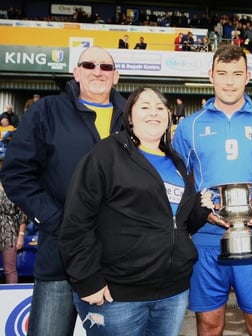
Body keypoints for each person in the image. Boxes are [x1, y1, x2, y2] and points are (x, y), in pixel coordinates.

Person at [59, 87, 210, 336]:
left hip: (172, 293)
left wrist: (201, 209)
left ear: (169, 117)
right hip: (118, 295)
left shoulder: (176, 163)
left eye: (160, 107)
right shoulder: (107, 154)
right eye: (144, 106)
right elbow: (77, 220)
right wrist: (87, 280)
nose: (154, 112)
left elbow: (176, 225)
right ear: (129, 117)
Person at [0, 46, 126, 336]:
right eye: (89, 65)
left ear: (116, 76)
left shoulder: (132, 117)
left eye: (106, 67)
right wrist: (57, 220)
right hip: (59, 257)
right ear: (77, 72)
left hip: (116, 262)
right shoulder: (47, 111)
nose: (98, 71)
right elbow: (16, 174)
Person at [173, 44, 252, 336]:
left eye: (236, 73)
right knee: (209, 323)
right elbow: (178, 180)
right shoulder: (189, 126)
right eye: (222, 73)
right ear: (210, 75)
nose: (229, 81)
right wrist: (199, 212)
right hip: (205, 238)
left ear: (247, 76)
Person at [0, 182, 27, 284]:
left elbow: (23, 214)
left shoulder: (14, 187)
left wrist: (21, 235)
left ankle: (11, 295)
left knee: (9, 269)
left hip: (9, 232)